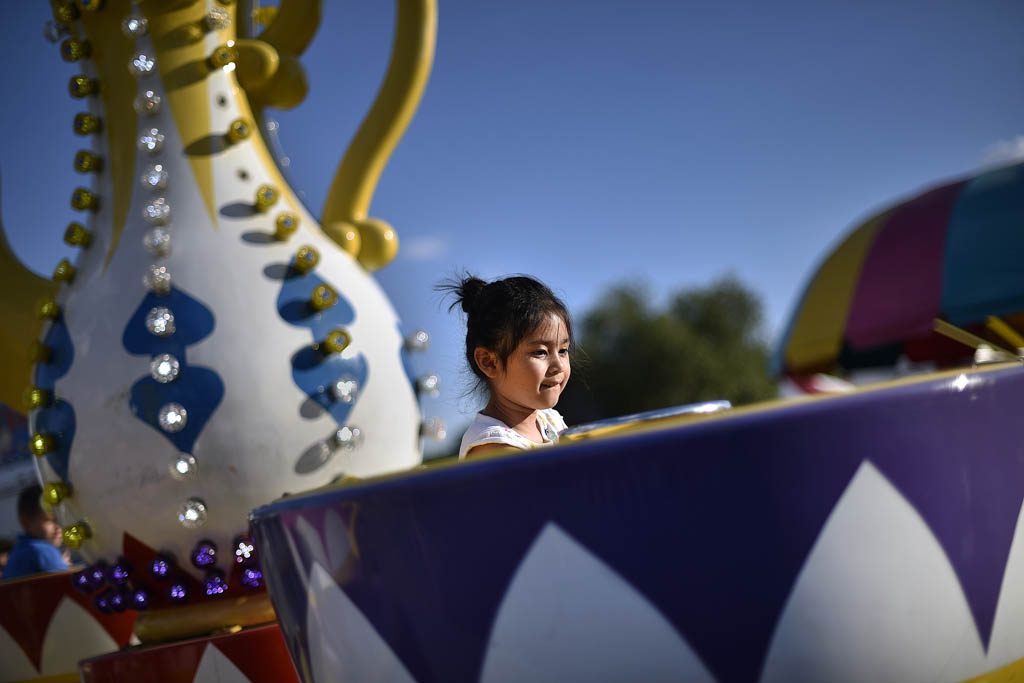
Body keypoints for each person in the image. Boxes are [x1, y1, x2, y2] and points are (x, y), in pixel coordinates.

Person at [439, 274, 572, 459]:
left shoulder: (549, 420)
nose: (558, 365)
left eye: (563, 350)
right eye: (540, 352)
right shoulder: (494, 447)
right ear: (489, 362)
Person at [1, 484, 68, 580]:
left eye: (60, 519)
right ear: (25, 522)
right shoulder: (41, 550)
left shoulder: (17, 552)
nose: (58, 527)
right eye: (49, 521)